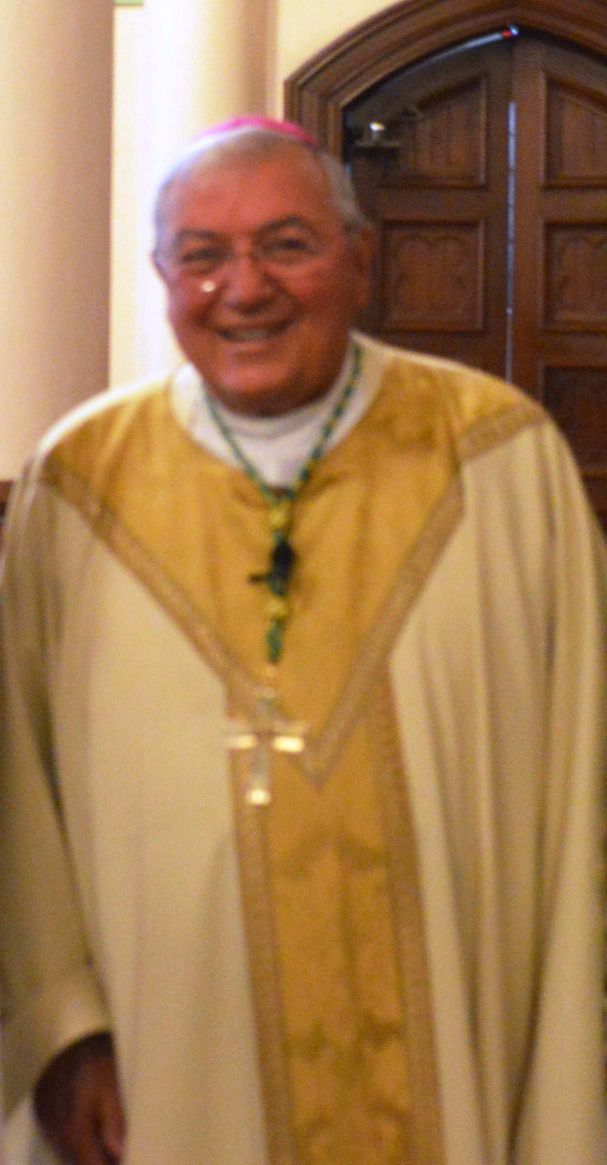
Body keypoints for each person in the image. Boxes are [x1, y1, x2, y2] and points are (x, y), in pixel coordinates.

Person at [0, 115, 606, 1165]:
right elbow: (21, 788)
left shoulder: (499, 462)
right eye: (202, 254)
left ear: (360, 261)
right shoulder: (80, 483)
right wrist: (64, 1028)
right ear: (163, 276)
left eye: (287, 245)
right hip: (164, 1063)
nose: (244, 288)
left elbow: (580, 776)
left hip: (457, 1053)